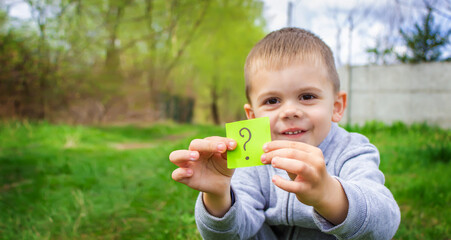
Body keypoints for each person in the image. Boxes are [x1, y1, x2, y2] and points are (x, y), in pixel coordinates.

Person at [169, 27, 400, 239]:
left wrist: (328, 194)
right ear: (252, 117)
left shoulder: (352, 150)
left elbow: (385, 225)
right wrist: (219, 195)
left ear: (336, 106)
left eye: (307, 96)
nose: (289, 111)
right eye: (272, 101)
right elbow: (232, 234)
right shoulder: (250, 159)